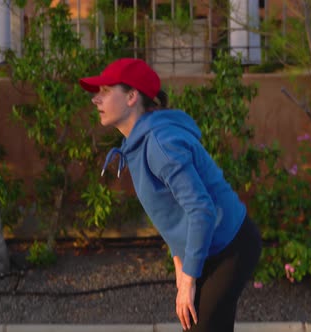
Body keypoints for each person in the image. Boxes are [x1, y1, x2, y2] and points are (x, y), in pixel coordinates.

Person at [79, 58, 262, 332]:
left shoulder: (160, 145)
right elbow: (172, 213)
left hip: (230, 245)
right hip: (206, 247)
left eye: (105, 91)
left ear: (131, 96)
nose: (96, 100)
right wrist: (180, 263)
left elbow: (201, 210)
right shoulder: (138, 144)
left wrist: (188, 280)